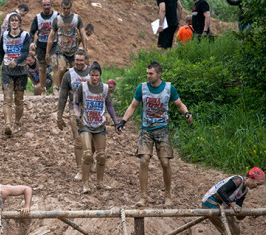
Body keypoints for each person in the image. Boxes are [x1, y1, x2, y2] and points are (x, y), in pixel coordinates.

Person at [116, 62, 193, 207]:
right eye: (147, 73)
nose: (148, 76)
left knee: (165, 162)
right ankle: (143, 197)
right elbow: (133, 106)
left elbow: (179, 104)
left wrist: (187, 113)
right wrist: (123, 121)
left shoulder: (169, 88)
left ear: (159, 74)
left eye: (151, 73)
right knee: (144, 160)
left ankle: (168, 195)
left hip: (162, 129)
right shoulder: (142, 88)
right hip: (146, 130)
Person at [74, 61, 119, 193]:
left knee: (102, 155)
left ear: (100, 75)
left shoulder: (105, 88)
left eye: (97, 75)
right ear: (89, 75)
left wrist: (116, 121)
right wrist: (77, 116)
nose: (94, 78)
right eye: (92, 75)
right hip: (86, 124)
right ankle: (85, 184)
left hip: (100, 125)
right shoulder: (82, 87)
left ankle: (100, 183)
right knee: (88, 154)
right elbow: (76, 103)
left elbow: (109, 105)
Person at [201, 167, 264, 235]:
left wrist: (249, 214)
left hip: (223, 208)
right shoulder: (238, 180)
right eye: (257, 183)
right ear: (251, 178)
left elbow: (237, 213)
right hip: (211, 203)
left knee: (236, 231)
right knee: (229, 231)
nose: (256, 187)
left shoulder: (244, 191)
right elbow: (221, 191)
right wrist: (232, 204)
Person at [57, 49, 90, 181]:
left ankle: (88, 162)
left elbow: (100, 92)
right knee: (78, 141)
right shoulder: (68, 75)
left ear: (86, 60)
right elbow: (62, 96)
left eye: (81, 60)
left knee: (90, 140)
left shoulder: (92, 73)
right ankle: (79, 169)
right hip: (74, 110)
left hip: (90, 111)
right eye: (77, 60)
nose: (79, 63)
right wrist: (59, 115)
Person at [0, 13, 31, 135]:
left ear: (20, 23)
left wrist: (16, 61)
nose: (14, 22)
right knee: (7, 98)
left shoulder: (25, 35)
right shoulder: (4, 35)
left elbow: (26, 52)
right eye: (12, 20)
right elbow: (1, 51)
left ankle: (16, 123)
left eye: (16, 20)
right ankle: (7, 125)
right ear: (9, 23)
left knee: (19, 100)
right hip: (7, 70)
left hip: (21, 71)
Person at [46, 0, 88, 91]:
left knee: (74, 70)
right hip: (61, 49)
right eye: (64, 8)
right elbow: (51, 36)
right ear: (61, 8)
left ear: (71, 7)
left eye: (68, 8)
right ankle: (59, 87)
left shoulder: (77, 18)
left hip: (73, 49)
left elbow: (83, 34)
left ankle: (74, 88)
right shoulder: (57, 19)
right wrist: (47, 52)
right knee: (61, 68)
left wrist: (85, 50)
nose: (66, 10)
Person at [29, 0, 58, 95]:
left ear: (51, 5)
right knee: (42, 67)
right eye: (44, 5)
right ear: (42, 6)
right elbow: (32, 32)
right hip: (41, 44)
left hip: (53, 44)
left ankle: (55, 88)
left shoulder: (56, 16)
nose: (46, 7)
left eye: (48, 5)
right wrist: (32, 43)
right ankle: (42, 89)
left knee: (54, 64)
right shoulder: (37, 18)